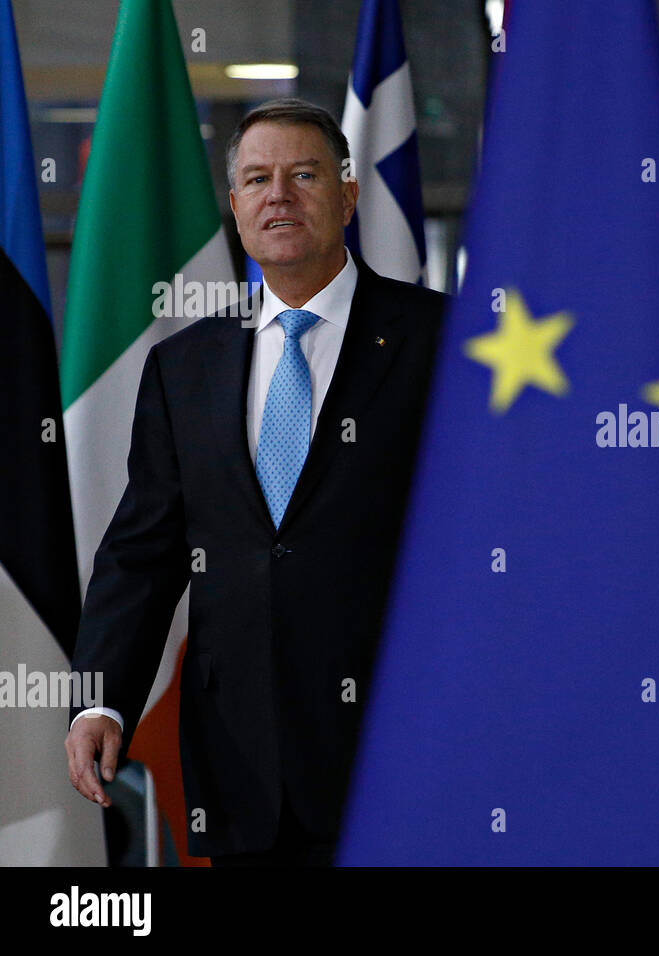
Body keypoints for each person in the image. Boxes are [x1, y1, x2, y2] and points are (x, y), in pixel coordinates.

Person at [64, 98, 448, 865]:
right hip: (242, 766)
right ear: (234, 206)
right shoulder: (184, 367)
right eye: (257, 178)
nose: (279, 194)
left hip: (405, 753)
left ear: (347, 195)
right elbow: (143, 552)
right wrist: (100, 697)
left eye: (303, 174)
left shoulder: (439, 342)